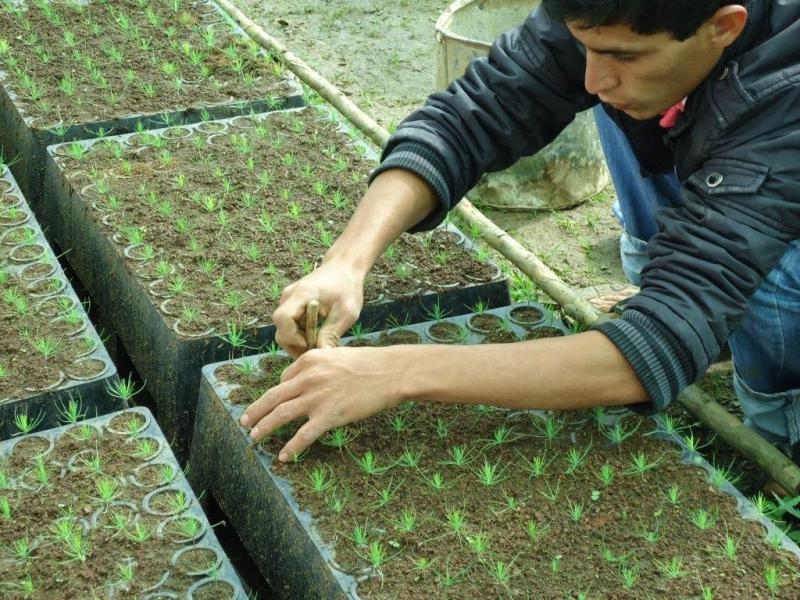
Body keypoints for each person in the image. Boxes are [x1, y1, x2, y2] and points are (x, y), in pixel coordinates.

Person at [239, 1, 800, 464]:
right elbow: (468, 118)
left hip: (780, 184)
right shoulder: (622, 19)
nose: (593, 78)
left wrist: (398, 370)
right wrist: (346, 262)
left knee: (768, 293)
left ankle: (783, 427)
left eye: (624, 55)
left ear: (724, 26)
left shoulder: (784, 109)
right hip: (724, 136)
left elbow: (657, 346)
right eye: (586, 46)